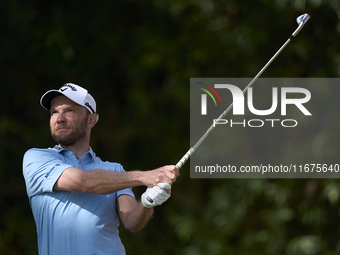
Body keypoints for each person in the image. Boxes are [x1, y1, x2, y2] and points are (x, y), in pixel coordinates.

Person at [22, 83, 179, 255]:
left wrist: (148, 201)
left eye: (69, 111)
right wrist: (144, 177)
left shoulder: (115, 170)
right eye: (54, 112)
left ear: (91, 120)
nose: (59, 118)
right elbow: (83, 182)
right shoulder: (36, 158)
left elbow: (132, 222)